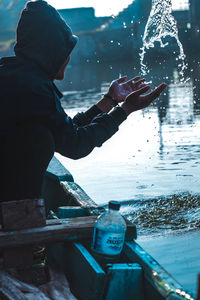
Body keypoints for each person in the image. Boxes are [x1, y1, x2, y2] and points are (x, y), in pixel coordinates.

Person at [0, 0, 166, 202]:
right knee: (41, 139)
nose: (69, 57)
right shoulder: (35, 88)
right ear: (51, 52)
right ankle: (24, 216)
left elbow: (66, 131)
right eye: (65, 50)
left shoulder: (14, 75)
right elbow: (75, 145)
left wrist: (110, 100)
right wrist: (126, 110)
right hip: (10, 208)